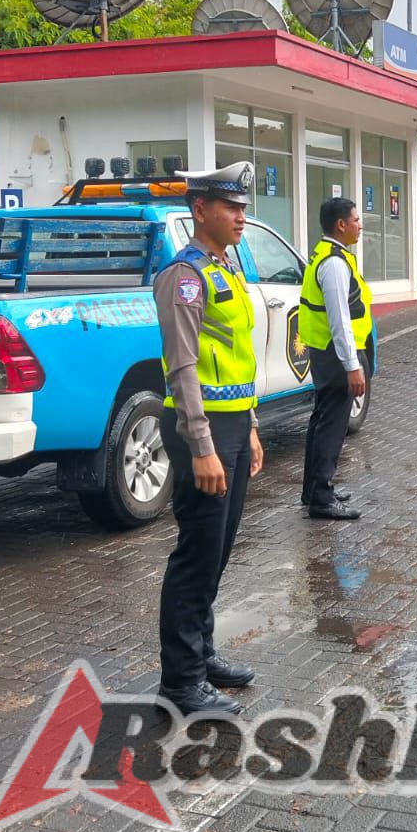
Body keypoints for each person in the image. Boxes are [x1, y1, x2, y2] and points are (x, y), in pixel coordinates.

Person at [154, 160, 262, 716]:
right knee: (197, 555)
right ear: (201, 210)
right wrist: (202, 447)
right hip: (203, 430)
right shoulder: (185, 276)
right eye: (231, 207)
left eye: (243, 207)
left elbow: (237, 356)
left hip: (233, 423)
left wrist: (252, 426)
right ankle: (180, 682)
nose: (241, 217)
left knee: (216, 551)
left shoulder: (226, 268)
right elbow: (183, 367)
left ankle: (202, 655)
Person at [298, 197, 371, 521]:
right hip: (335, 354)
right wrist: (352, 365)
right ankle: (322, 498)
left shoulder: (327, 254)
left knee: (321, 421)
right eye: (356, 220)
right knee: (332, 426)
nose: (360, 225)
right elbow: (339, 318)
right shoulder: (334, 264)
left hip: (326, 352)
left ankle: (313, 489)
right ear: (341, 225)